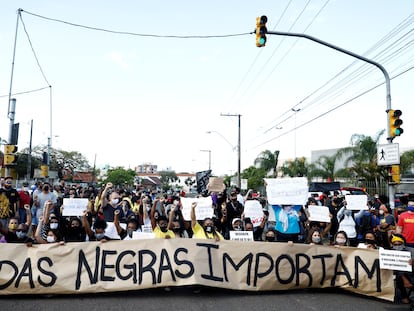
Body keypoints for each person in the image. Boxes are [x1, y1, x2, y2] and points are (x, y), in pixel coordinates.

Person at [390, 233, 414, 304]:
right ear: (392, 244)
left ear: (403, 243)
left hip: (412, 272)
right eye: (395, 244)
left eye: (399, 244)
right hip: (400, 274)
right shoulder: (390, 252)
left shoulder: (412, 250)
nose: (397, 246)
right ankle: (404, 296)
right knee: (399, 276)